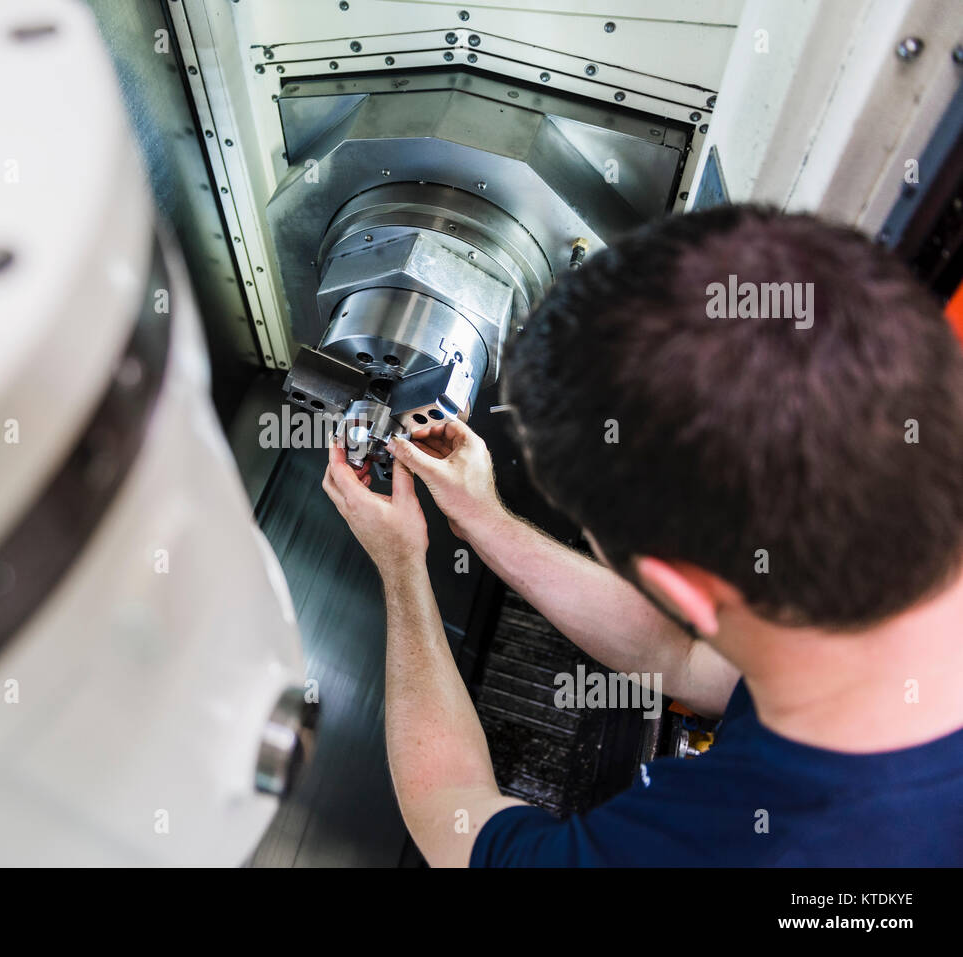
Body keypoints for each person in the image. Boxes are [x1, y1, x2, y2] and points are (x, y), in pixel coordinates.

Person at [320, 205, 963, 866]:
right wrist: (484, 519)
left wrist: (401, 564)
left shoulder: (731, 843)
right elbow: (691, 662)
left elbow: (451, 816)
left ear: (678, 587)